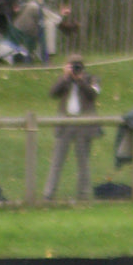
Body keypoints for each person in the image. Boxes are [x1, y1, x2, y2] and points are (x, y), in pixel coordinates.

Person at [44, 54, 101, 200]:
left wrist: (81, 81)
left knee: (83, 162)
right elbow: (52, 93)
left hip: (84, 124)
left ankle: (83, 194)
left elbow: (94, 94)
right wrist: (65, 78)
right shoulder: (64, 80)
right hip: (65, 124)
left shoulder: (91, 79)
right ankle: (49, 194)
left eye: (78, 66)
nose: (75, 69)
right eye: (72, 66)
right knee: (57, 161)